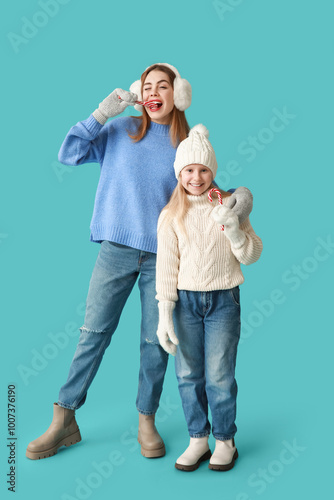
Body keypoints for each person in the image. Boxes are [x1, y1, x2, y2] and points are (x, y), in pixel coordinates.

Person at [26, 64, 253, 461]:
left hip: (166, 258)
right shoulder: (118, 131)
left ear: (177, 94)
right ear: (137, 93)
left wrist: (242, 197)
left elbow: (209, 192)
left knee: (156, 342)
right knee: (93, 332)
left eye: (162, 86)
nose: (153, 93)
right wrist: (102, 113)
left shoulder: (187, 143)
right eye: (146, 86)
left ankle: (145, 420)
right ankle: (64, 417)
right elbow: (69, 154)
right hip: (116, 249)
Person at [155, 124, 263, 471]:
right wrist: (163, 314)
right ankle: (197, 439)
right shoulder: (170, 215)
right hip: (185, 303)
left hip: (223, 301)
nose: (196, 177)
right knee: (187, 374)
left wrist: (233, 229)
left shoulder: (230, 206)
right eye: (189, 170)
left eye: (203, 169)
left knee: (219, 375)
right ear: (179, 173)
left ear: (212, 171)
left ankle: (225, 441)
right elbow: (167, 266)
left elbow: (251, 254)